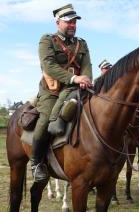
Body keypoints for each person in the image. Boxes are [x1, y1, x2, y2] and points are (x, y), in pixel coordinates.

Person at [32, 3, 92, 182]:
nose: (73, 25)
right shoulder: (47, 40)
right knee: (45, 120)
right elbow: (48, 66)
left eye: (74, 22)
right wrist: (74, 78)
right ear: (58, 22)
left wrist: (86, 79)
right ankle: (36, 163)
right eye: (68, 22)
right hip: (53, 90)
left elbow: (87, 66)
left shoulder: (82, 43)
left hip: (77, 89)